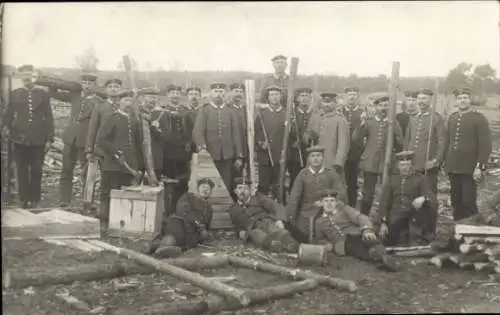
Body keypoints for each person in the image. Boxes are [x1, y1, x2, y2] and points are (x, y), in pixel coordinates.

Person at [4, 64, 54, 209]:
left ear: (33, 77)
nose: (27, 79)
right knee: (21, 169)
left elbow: (48, 116)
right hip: (19, 137)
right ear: (21, 78)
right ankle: (23, 200)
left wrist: (50, 138)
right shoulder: (15, 93)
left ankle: (35, 200)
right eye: (24, 76)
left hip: (38, 138)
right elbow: (8, 114)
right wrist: (6, 128)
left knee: (37, 169)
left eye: (29, 76)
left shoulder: (42, 94)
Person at [50, 72, 104, 207]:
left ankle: (86, 201)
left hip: (85, 142)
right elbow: (54, 94)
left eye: (90, 84)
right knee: (66, 170)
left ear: (95, 86)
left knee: (86, 174)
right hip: (70, 139)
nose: (87, 86)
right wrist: (55, 83)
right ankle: (64, 200)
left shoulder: (99, 102)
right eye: (84, 83)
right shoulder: (75, 96)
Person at [96, 90, 145, 235]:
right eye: (126, 101)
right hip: (112, 165)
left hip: (128, 166)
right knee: (108, 193)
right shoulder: (113, 118)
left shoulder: (135, 121)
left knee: (125, 194)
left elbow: (137, 145)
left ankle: (120, 222)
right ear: (119, 102)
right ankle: (104, 221)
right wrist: (115, 152)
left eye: (131, 101)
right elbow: (101, 140)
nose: (128, 104)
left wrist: (138, 165)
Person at [313, 189, 398, 272]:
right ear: (321, 203)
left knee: (368, 239)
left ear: (336, 202)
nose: (329, 204)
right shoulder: (319, 222)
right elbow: (320, 240)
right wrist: (328, 245)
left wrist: (366, 230)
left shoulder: (344, 210)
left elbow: (359, 217)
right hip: (341, 244)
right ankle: (380, 256)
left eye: (332, 201)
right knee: (355, 246)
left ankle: (380, 257)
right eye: (326, 201)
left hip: (357, 233)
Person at [444, 87, 492, 221]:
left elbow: (485, 145)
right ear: (456, 101)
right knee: (456, 200)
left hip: (470, 168)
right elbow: (448, 141)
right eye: (459, 98)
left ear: (470, 100)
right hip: (453, 166)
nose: (462, 100)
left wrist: (480, 167)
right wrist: (445, 162)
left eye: (465, 98)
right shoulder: (452, 117)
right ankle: (458, 230)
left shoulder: (479, 118)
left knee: (468, 200)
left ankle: (471, 229)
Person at [193, 82, 244, 202]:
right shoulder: (204, 110)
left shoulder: (230, 111)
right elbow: (198, 131)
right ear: (211, 93)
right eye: (216, 92)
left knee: (226, 183)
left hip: (227, 155)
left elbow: (236, 134)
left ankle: (226, 210)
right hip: (210, 155)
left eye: (221, 92)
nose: (218, 94)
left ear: (225, 94)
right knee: (208, 183)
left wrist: (238, 155)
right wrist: (202, 148)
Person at [143, 178, 215, 258]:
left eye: (208, 188)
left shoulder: (209, 209)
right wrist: (196, 222)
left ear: (211, 192)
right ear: (198, 188)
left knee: (189, 241)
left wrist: (205, 232)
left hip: (193, 232)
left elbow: (207, 226)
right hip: (180, 222)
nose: (205, 190)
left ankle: (155, 247)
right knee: (174, 233)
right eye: (203, 187)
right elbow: (182, 210)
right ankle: (162, 249)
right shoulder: (188, 196)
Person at [377, 151, 438, 245]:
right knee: (387, 239)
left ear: (411, 165)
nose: (404, 167)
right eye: (402, 165)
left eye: (407, 164)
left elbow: (431, 196)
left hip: (413, 215)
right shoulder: (391, 179)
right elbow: (384, 202)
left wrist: (423, 198)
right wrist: (383, 222)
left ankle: (421, 237)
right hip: (396, 216)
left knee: (414, 238)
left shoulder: (420, 178)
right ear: (398, 165)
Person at [357, 94, 403, 216]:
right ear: (376, 107)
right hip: (371, 162)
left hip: (387, 163)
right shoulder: (369, 122)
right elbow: (357, 139)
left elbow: (400, 144)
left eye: (386, 105)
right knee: (367, 193)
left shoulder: (394, 123)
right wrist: (361, 124)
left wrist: (395, 135)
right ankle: (364, 218)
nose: (384, 108)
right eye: (381, 106)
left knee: (387, 191)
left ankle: (384, 218)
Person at [286, 145, 346, 238]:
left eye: (318, 156)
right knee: (302, 236)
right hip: (307, 213)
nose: (315, 159)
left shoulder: (331, 174)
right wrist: (291, 219)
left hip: (326, 213)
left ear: (323, 158)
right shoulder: (303, 175)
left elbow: (341, 193)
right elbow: (294, 197)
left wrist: (327, 203)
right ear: (309, 159)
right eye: (312, 156)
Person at [228, 178, 299, 252]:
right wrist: (240, 232)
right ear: (235, 191)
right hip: (252, 229)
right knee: (259, 236)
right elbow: (237, 225)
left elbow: (275, 207)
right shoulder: (233, 209)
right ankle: (276, 246)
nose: (242, 191)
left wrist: (279, 220)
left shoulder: (259, 198)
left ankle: (295, 247)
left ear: (249, 190)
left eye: (245, 188)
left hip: (266, 222)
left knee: (279, 233)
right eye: (240, 188)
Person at [404, 88, 446, 196]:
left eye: (424, 98)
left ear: (430, 100)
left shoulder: (436, 118)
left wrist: (436, 160)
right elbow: (407, 141)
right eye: (419, 98)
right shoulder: (413, 118)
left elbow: (442, 142)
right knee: (413, 193)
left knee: (429, 194)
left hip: (428, 164)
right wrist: (405, 159)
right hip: (413, 163)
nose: (421, 101)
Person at [160, 84, 195, 212]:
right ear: (167, 95)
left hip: (183, 154)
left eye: (177, 93)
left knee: (183, 183)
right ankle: (168, 212)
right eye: (172, 93)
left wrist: (189, 144)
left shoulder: (186, 112)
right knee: (168, 184)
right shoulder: (162, 112)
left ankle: (180, 210)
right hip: (167, 154)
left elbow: (192, 131)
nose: (175, 95)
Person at [305, 92, 350, 176]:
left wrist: (338, 163)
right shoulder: (316, 117)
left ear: (335, 104)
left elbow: (343, 145)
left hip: (331, 161)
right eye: (325, 102)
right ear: (321, 103)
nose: (327, 105)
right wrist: (308, 137)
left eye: (330, 102)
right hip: (314, 160)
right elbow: (308, 134)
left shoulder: (340, 120)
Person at [254, 85, 287, 199]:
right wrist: (260, 142)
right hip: (265, 155)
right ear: (268, 98)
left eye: (277, 94)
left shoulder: (286, 113)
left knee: (278, 185)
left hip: (280, 155)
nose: (274, 97)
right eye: (272, 95)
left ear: (281, 96)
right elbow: (255, 131)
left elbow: (291, 134)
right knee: (263, 184)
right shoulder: (262, 113)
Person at [85, 78, 123, 161]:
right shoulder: (100, 107)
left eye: (116, 87)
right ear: (106, 90)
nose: (113, 89)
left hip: (122, 149)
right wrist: (89, 149)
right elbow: (93, 129)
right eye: (110, 87)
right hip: (103, 149)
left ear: (121, 89)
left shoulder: (125, 106)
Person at [342, 86, 365, 208]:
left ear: (358, 97)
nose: (352, 97)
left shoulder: (363, 113)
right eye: (350, 94)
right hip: (341, 151)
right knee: (340, 180)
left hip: (356, 152)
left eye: (354, 95)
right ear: (345, 97)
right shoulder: (340, 111)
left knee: (353, 181)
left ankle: (352, 205)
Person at [288, 87, 314, 189]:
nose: (304, 98)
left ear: (310, 98)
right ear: (297, 98)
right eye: (302, 96)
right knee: (295, 178)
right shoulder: (292, 113)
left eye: (307, 96)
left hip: (310, 152)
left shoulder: (315, 113)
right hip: (294, 153)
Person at [229, 82, 249, 181]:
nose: (239, 94)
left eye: (241, 91)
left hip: (244, 149)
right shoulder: (227, 109)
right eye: (236, 91)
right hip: (230, 152)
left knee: (240, 180)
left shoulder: (246, 110)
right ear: (230, 93)